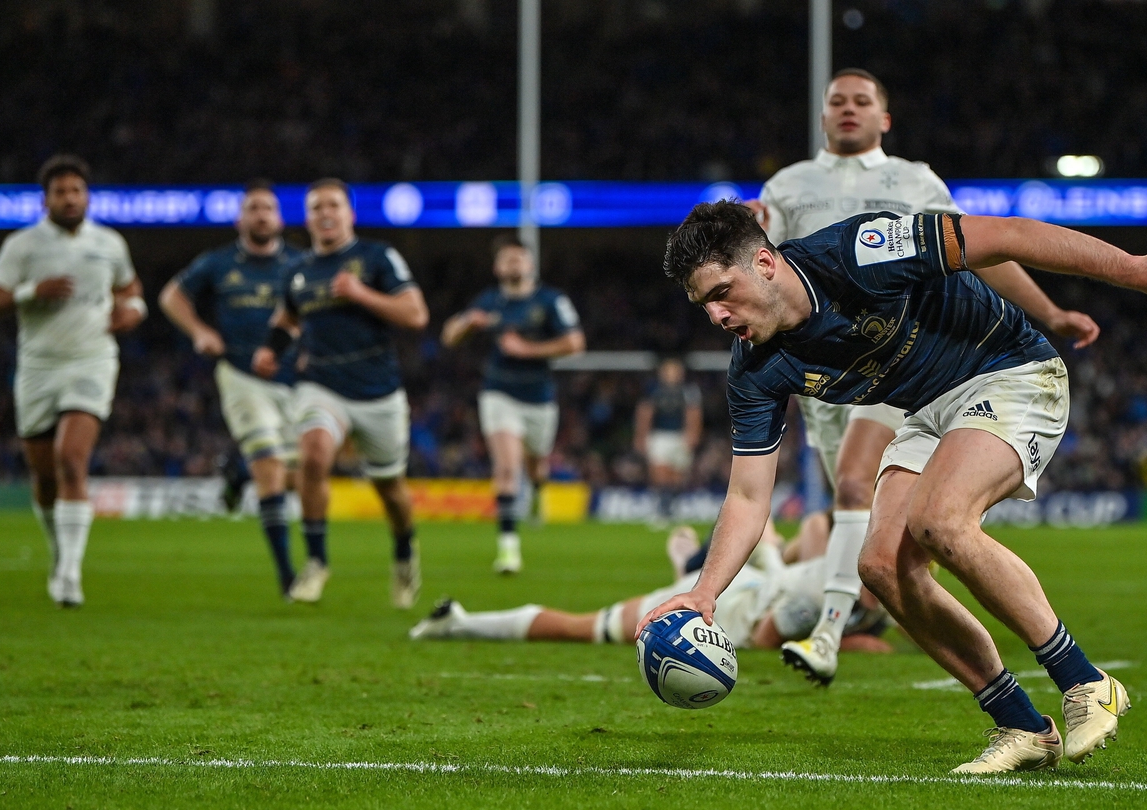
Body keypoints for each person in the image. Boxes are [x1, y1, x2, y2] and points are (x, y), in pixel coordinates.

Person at [642, 201, 1147, 773]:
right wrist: (704, 594)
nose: (716, 315)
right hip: (928, 412)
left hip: (1009, 369)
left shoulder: (857, 253)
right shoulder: (755, 368)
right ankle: (1019, 725)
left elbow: (1010, 234)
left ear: (764, 261)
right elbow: (747, 496)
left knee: (940, 520)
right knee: (882, 567)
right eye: (703, 305)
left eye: (721, 291)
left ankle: (1085, 681)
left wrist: (1135, 271)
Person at [746, 68, 1100, 686]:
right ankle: (884, 602)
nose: (848, 109)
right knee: (858, 508)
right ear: (823, 118)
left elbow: (980, 248)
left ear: (885, 119)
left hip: (903, 358)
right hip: (824, 372)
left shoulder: (913, 181)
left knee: (858, 482)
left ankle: (829, 631)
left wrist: (1049, 312)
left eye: (863, 101)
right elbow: (760, 268)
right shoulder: (788, 186)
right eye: (837, 102)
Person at [0, 154, 146, 607]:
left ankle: (70, 575)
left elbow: (130, 289)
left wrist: (134, 311)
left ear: (87, 195)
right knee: (45, 475)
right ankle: (59, 554)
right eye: (60, 192)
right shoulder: (24, 245)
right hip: (38, 368)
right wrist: (33, 291)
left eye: (76, 191)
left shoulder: (109, 243)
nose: (70, 199)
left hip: (92, 361)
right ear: (46, 199)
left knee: (72, 460)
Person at [252, 178, 429, 607]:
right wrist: (271, 349)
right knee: (313, 455)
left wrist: (361, 293)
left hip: (378, 391)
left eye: (333, 205)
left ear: (349, 214)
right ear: (307, 217)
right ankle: (316, 562)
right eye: (315, 207)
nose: (325, 213)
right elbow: (289, 318)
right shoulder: (297, 271)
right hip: (320, 384)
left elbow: (415, 314)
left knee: (391, 490)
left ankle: (405, 552)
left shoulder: (376, 257)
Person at [409, 516, 892, 653]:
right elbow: (770, 637)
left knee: (764, 549)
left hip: (755, 580)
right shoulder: (818, 598)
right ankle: (460, 622)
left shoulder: (885, 590)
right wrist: (855, 644)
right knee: (588, 628)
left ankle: (687, 559)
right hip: (723, 609)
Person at [159, 180, 304, 596]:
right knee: (271, 467)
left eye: (268, 209)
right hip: (241, 374)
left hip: (294, 378)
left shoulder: (299, 262)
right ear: (241, 218)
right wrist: (199, 331)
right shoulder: (218, 263)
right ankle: (287, 576)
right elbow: (172, 296)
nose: (261, 215)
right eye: (253, 208)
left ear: (279, 218)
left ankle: (236, 472)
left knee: (297, 472)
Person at [440, 234, 585, 574]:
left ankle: (537, 490)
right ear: (496, 266)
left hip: (538, 398)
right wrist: (466, 324)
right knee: (506, 468)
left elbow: (575, 342)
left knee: (536, 464)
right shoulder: (489, 301)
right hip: (498, 393)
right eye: (506, 259)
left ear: (530, 264)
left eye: (518, 258)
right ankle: (508, 550)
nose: (513, 264)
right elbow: (449, 336)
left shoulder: (550, 300)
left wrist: (527, 350)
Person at [634, 357, 703, 524]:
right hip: (659, 435)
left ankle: (672, 507)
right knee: (659, 471)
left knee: (677, 474)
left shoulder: (688, 390)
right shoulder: (654, 390)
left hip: (680, 435)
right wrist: (641, 436)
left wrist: (693, 434)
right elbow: (645, 412)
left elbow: (694, 413)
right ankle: (662, 508)